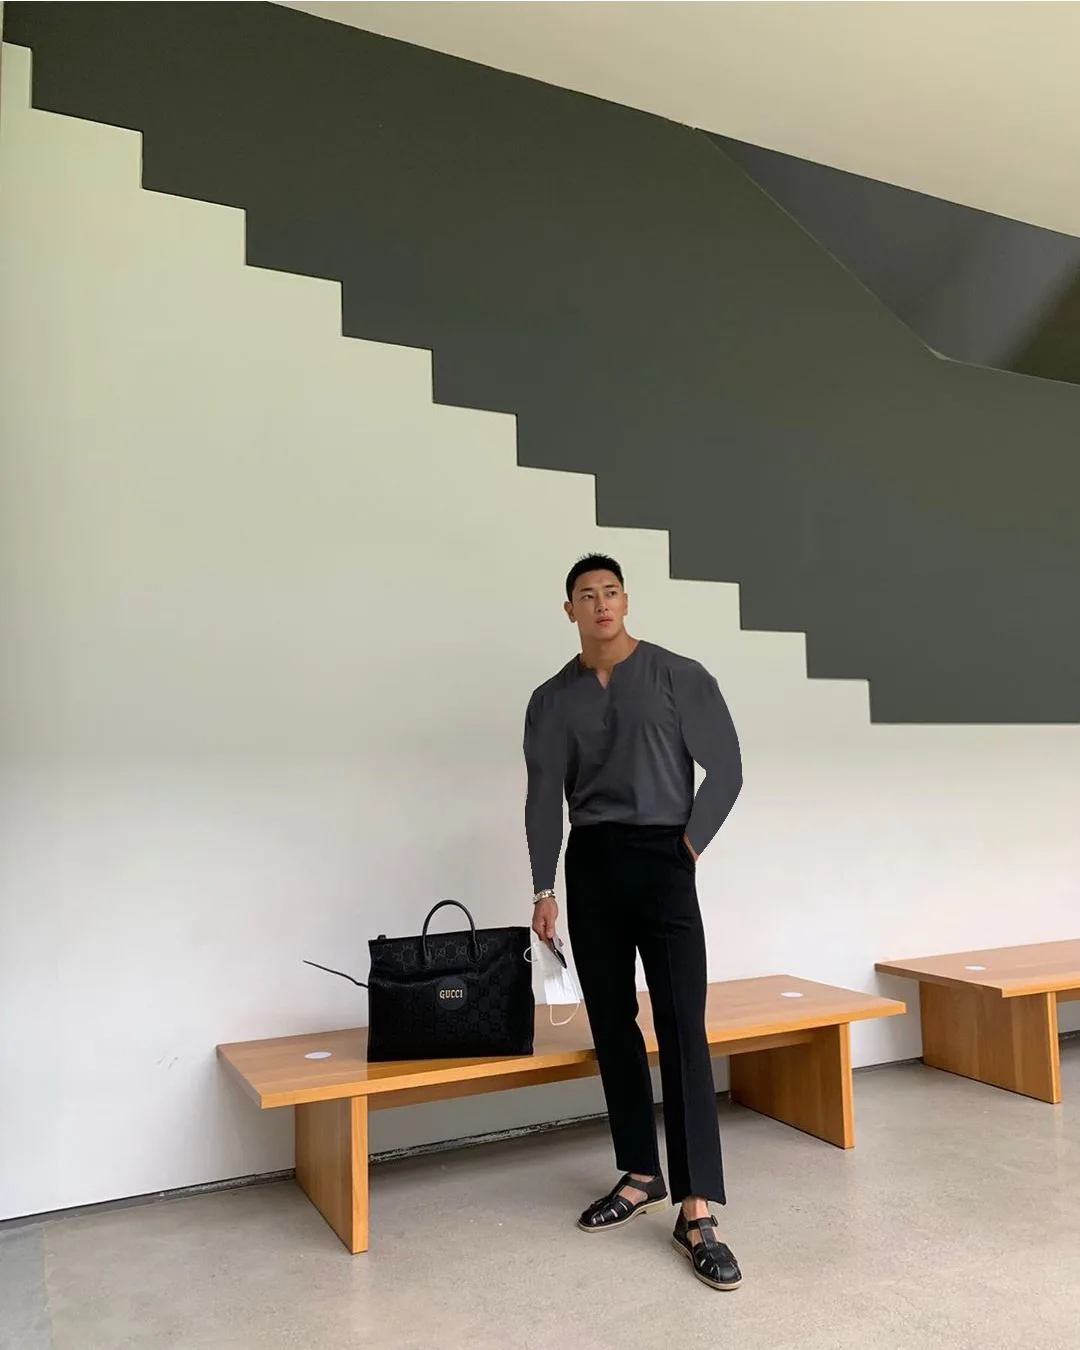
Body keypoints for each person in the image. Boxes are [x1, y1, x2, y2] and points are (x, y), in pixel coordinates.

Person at [523, 554, 744, 1291]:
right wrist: (543, 887)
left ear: (625, 601)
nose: (600, 604)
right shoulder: (550, 700)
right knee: (613, 1024)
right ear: (570, 611)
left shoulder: (680, 674)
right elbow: (542, 796)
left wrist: (688, 846)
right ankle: (641, 1172)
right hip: (591, 866)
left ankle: (697, 1208)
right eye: (586, 595)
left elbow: (728, 768)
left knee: (682, 1024)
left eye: (611, 592)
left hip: (664, 857)